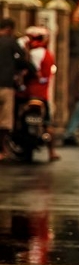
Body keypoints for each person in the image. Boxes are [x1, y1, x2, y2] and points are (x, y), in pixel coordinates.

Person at [20, 26, 60, 161]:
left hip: (28, 94)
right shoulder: (49, 54)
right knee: (47, 123)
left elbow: (31, 72)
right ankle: (52, 152)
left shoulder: (31, 54)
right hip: (43, 95)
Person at [0, 18, 27, 161]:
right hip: (6, 86)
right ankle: (2, 149)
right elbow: (22, 59)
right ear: (9, 29)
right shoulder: (11, 42)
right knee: (5, 121)